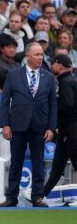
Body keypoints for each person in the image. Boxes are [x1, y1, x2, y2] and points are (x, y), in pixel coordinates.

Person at [0, 42, 57, 208]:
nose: (40, 57)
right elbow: (5, 101)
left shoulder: (49, 77)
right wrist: (5, 124)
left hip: (40, 126)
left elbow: (53, 104)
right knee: (16, 162)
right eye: (37, 54)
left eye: (41, 55)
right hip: (17, 125)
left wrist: (51, 127)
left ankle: (37, 196)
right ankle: (11, 198)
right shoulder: (13, 75)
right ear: (28, 56)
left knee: (38, 162)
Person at [43, 54, 77, 200]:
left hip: (71, 131)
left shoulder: (66, 82)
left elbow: (68, 105)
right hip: (66, 131)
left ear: (60, 65)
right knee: (57, 167)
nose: (52, 66)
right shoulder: (68, 80)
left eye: (53, 63)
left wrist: (54, 118)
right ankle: (40, 196)